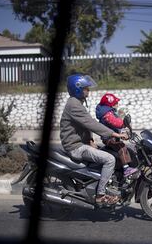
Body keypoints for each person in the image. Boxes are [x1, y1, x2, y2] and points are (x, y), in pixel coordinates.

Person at [59, 74, 128, 206]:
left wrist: (90, 139)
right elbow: (91, 124)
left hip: (80, 144)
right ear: (78, 89)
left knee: (107, 153)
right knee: (110, 159)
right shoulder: (74, 104)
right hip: (76, 147)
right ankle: (100, 195)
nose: (88, 90)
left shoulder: (76, 103)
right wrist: (116, 134)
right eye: (86, 88)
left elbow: (84, 124)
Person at [95, 93, 138, 177]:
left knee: (124, 148)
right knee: (121, 147)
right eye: (116, 103)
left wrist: (123, 132)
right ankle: (126, 169)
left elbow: (114, 125)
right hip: (109, 138)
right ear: (110, 104)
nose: (117, 105)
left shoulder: (110, 112)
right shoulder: (107, 114)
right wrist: (124, 124)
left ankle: (122, 169)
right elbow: (115, 122)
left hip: (113, 137)